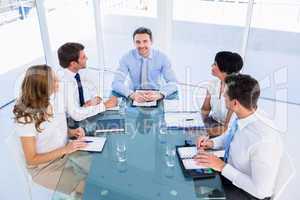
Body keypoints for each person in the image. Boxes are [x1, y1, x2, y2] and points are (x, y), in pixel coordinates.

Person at [195, 74, 283, 200]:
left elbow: (261, 191)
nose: (223, 97)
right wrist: (212, 143)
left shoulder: (263, 140)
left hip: (246, 193)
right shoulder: (246, 113)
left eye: (225, 95)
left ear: (235, 103)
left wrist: (221, 167)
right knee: (190, 175)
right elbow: (231, 136)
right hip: (230, 172)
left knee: (192, 189)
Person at [13, 65, 87, 191]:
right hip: (45, 167)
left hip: (65, 154)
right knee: (89, 188)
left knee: (98, 174)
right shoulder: (26, 118)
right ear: (42, 87)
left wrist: (71, 132)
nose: (58, 80)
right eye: (54, 80)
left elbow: (53, 130)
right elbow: (31, 159)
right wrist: (65, 149)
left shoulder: (51, 100)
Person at [112, 27, 178, 103]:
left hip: (156, 95)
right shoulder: (126, 58)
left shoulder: (162, 58)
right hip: (134, 95)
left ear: (151, 41)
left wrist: (160, 94)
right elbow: (116, 83)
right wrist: (131, 94)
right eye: (138, 42)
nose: (141, 45)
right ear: (134, 43)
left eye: (145, 41)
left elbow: (173, 82)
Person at [57, 42, 117, 122]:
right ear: (73, 63)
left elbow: (97, 84)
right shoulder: (64, 83)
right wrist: (105, 105)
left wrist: (97, 97)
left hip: (83, 115)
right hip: (69, 124)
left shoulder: (78, 72)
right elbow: (77, 115)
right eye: (83, 57)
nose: (87, 58)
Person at [201, 51, 243, 136]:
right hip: (212, 124)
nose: (212, 66)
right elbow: (205, 110)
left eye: (215, 64)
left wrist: (200, 132)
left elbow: (227, 129)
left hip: (228, 131)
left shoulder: (237, 91)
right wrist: (197, 124)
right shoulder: (212, 84)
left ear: (224, 69)